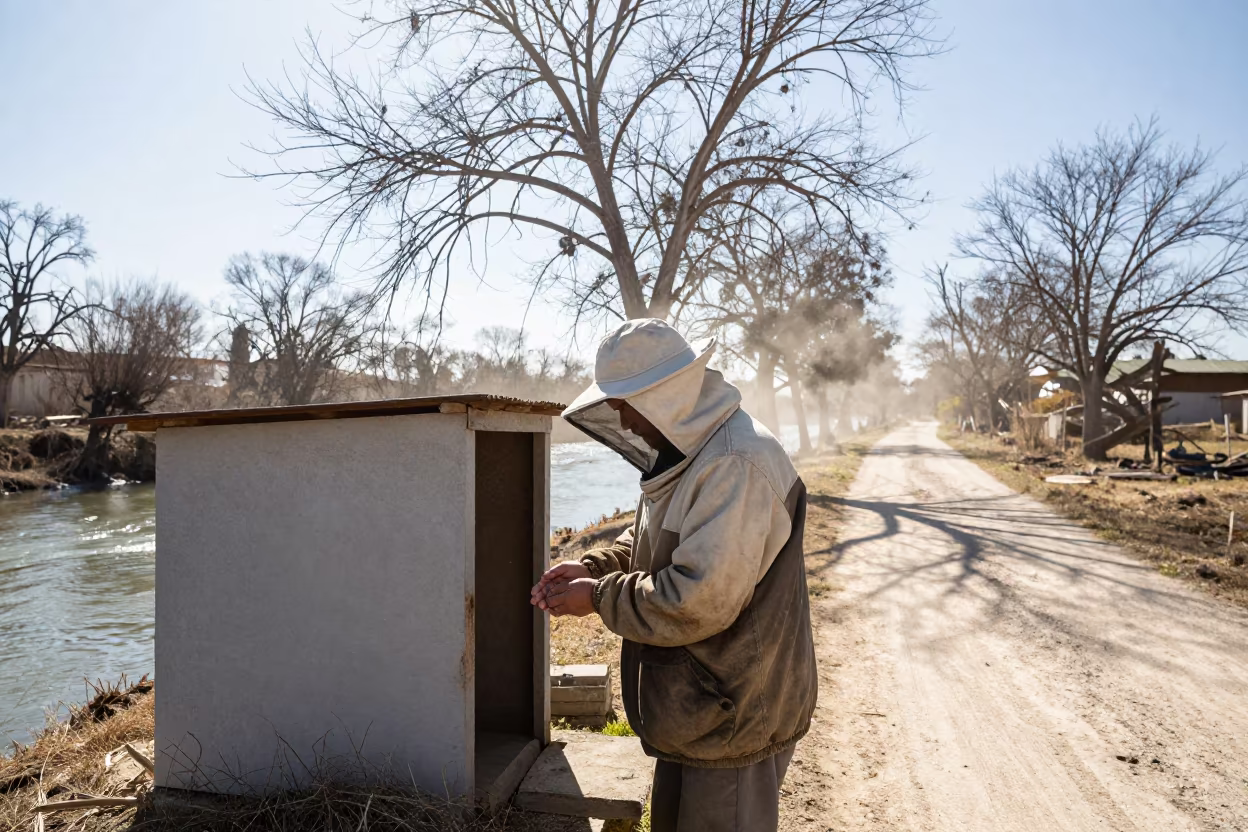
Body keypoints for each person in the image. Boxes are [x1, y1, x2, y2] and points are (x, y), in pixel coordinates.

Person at [530, 319, 817, 832]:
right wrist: (599, 565)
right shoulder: (693, 447)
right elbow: (657, 532)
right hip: (702, 707)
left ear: (664, 397)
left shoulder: (734, 463)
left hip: (736, 710)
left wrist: (597, 597)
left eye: (627, 409)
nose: (627, 425)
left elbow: (697, 598)